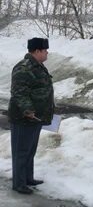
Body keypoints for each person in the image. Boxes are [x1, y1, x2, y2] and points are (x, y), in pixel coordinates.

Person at [8, 37, 54, 194]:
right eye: (45, 50)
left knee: (29, 150)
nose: (47, 52)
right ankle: (19, 183)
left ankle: (28, 178)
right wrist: (28, 110)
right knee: (21, 152)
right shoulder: (24, 68)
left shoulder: (38, 66)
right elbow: (18, 93)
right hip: (24, 118)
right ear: (37, 51)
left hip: (36, 117)